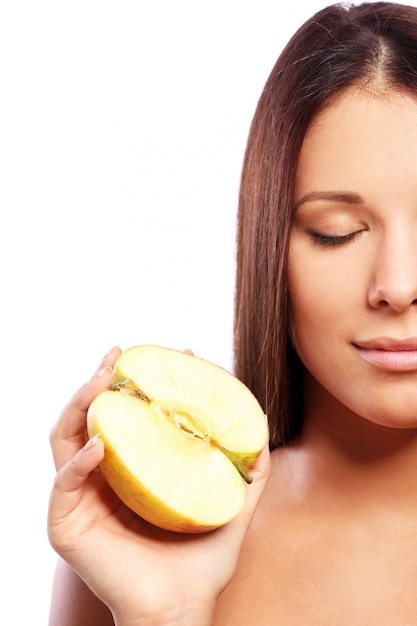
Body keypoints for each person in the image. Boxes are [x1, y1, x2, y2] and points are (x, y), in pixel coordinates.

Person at [47, 2, 417, 624]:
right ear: (269, 248)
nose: (398, 285)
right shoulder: (143, 539)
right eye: (338, 231)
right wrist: (168, 615)